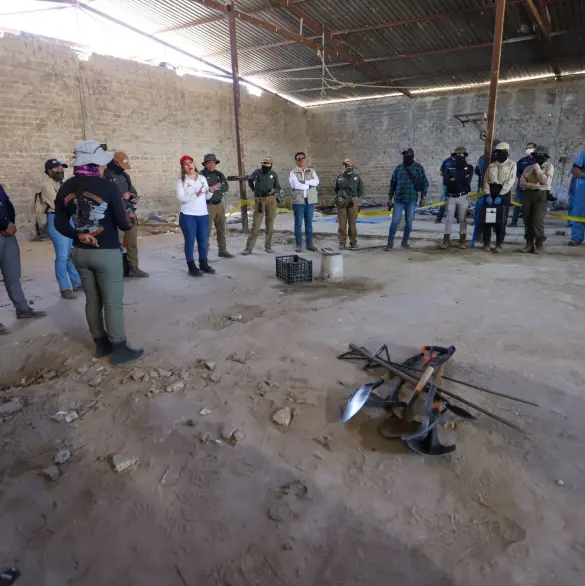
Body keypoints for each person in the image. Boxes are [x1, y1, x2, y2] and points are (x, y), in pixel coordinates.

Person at [54, 140, 143, 363]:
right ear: (96, 164)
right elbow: (123, 224)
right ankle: (120, 348)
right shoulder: (108, 187)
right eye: (102, 163)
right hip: (106, 252)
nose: (104, 167)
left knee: (92, 301)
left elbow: (58, 223)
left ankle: (101, 345)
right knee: (112, 303)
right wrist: (130, 216)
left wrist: (79, 235)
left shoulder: (66, 187)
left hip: (81, 252)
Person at [0, 184, 46, 335]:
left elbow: (7, 206)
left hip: (8, 234)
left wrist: (10, 223)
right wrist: (4, 225)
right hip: (4, 229)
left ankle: (23, 308)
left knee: (12, 274)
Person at [40, 158, 82, 298]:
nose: (60, 171)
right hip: (56, 218)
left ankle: (76, 283)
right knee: (62, 256)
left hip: (67, 218)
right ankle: (64, 288)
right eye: (56, 169)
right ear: (48, 171)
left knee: (70, 253)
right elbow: (58, 203)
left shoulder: (61, 184)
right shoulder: (47, 186)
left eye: (61, 168)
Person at [103, 152, 149, 278]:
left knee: (132, 243)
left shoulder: (125, 176)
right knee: (116, 244)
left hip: (129, 214)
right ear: (115, 163)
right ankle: (115, 270)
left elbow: (133, 192)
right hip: (114, 215)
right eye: (122, 165)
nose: (123, 168)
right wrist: (121, 197)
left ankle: (134, 268)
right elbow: (104, 197)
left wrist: (133, 198)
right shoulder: (105, 176)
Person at [176, 155, 216, 277]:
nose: (189, 165)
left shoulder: (202, 178)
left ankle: (203, 263)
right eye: (186, 164)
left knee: (203, 241)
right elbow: (181, 198)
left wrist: (212, 190)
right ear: (183, 168)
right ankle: (191, 266)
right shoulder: (181, 181)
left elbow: (207, 196)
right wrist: (195, 194)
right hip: (188, 215)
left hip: (203, 214)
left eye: (191, 162)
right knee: (190, 241)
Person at [385, 148, 428, 250]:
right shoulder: (399, 168)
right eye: (404, 155)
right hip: (399, 200)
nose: (405, 157)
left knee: (409, 221)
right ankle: (390, 243)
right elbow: (393, 184)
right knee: (395, 221)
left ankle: (404, 242)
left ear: (412, 156)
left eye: (407, 155)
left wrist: (423, 197)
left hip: (411, 199)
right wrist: (389, 198)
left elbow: (425, 183)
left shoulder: (418, 168)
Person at [481, 142, 517, 252]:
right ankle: (486, 243)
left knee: (501, 221)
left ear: (506, 152)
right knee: (488, 220)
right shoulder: (491, 165)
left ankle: (498, 244)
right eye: (496, 152)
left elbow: (510, 181)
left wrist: (501, 195)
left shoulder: (511, 164)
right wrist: (487, 193)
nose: (498, 154)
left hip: (504, 193)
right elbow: (486, 180)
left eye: (501, 152)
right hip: (491, 192)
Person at [242, 156, 281, 255]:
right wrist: (254, 190)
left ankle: (268, 247)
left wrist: (274, 191)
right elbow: (250, 180)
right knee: (256, 224)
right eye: (264, 163)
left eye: (267, 163)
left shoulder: (273, 174)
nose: (265, 165)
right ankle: (248, 248)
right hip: (260, 200)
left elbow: (278, 187)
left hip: (271, 200)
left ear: (271, 165)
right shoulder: (257, 172)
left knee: (270, 223)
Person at [520, 145, 554, 254]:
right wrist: (535, 185)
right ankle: (529, 243)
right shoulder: (528, 168)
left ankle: (539, 244)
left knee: (537, 221)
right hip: (527, 195)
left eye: (541, 155)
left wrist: (538, 170)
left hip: (540, 195)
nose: (539, 157)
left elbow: (545, 182)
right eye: (537, 155)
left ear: (546, 157)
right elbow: (521, 183)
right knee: (527, 220)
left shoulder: (549, 167)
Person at [439, 146, 474, 249]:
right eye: (457, 154)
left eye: (461, 154)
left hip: (463, 196)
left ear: (465, 155)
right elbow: (446, 181)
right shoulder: (449, 167)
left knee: (462, 219)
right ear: (454, 155)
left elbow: (466, 182)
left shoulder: (470, 168)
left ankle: (462, 241)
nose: (459, 156)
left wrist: (454, 179)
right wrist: (457, 179)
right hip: (451, 197)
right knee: (449, 219)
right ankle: (446, 241)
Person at [200, 153, 233, 258]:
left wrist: (215, 188)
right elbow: (203, 189)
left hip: (219, 204)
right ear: (205, 164)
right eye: (209, 163)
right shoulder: (201, 175)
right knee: (206, 231)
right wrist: (212, 187)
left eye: (213, 163)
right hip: (207, 206)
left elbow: (226, 186)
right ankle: (204, 254)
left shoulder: (219, 174)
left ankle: (222, 250)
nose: (211, 164)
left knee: (221, 229)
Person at [289, 152, 319, 252]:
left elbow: (317, 182)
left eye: (302, 158)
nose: (301, 160)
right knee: (298, 223)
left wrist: (305, 182)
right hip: (298, 201)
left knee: (309, 223)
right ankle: (298, 244)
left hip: (310, 200)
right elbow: (296, 185)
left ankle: (309, 244)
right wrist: (310, 185)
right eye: (299, 159)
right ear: (296, 161)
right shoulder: (293, 172)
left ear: (305, 159)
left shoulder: (311, 171)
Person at [334, 159, 364, 250]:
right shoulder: (340, 177)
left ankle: (353, 242)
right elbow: (336, 189)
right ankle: (342, 243)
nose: (347, 166)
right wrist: (341, 197)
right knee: (342, 223)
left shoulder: (356, 177)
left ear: (353, 166)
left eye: (348, 164)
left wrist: (354, 198)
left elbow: (361, 189)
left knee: (352, 223)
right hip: (342, 200)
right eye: (345, 165)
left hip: (353, 200)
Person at [510, 142, 536, 227]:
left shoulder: (537, 160)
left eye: (530, 148)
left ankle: (530, 223)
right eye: (527, 148)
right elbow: (517, 172)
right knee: (517, 205)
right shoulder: (522, 161)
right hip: (521, 187)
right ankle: (514, 222)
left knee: (531, 207)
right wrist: (523, 179)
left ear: (535, 149)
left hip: (533, 188)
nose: (528, 150)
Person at [568, 148, 585, 246]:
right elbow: (575, 169)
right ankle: (577, 238)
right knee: (580, 213)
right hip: (583, 188)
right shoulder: (583, 153)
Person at [435, 151, 454, 224]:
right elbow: (441, 173)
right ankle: (439, 218)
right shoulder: (446, 161)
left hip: (456, 185)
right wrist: (448, 178)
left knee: (458, 200)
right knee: (444, 200)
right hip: (446, 184)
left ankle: (459, 219)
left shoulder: (461, 161)